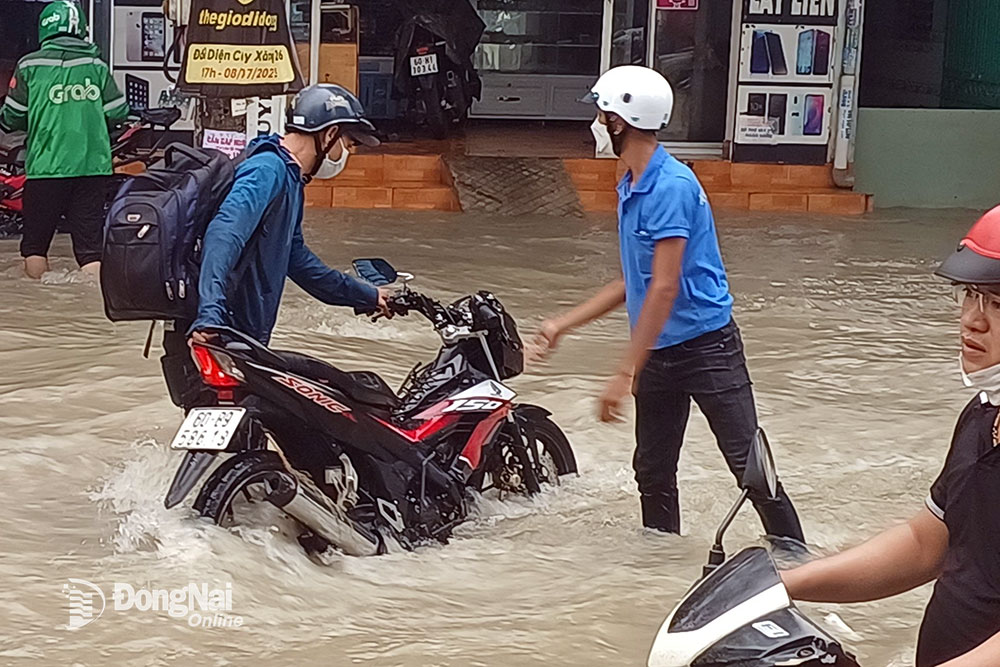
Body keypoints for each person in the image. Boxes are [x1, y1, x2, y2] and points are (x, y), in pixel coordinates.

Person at [531, 65, 804, 542]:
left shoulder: (671, 187)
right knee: (653, 472)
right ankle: (659, 565)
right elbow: (632, 281)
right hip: (657, 350)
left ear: (618, 122)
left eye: (600, 115)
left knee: (749, 466)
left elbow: (664, 287)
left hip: (707, 348)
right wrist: (563, 324)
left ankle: (798, 559)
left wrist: (622, 372)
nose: (594, 125)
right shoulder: (631, 186)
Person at [782, 206, 1000, 667]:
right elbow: (926, 544)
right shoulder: (983, 417)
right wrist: (786, 583)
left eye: (998, 304)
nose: (973, 321)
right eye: (969, 296)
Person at [161, 84, 390, 410]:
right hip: (215, 336)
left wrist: (366, 295)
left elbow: (300, 262)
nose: (348, 155)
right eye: (349, 144)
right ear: (329, 135)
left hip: (233, 338)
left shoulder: (289, 177)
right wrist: (210, 315)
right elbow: (224, 235)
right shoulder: (267, 171)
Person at [0, 0, 128, 279]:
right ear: (81, 28)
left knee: (35, 247)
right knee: (90, 250)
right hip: (92, 167)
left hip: (46, 167)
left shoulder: (29, 65)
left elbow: (11, 117)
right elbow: (118, 111)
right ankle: (95, 309)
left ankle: (37, 308)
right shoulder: (95, 64)